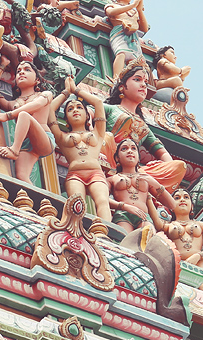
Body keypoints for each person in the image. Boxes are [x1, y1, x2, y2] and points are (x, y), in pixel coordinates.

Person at [102, 62, 186, 191]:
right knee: (105, 138)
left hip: (134, 171)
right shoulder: (111, 109)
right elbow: (88, 116)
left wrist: (165, 164)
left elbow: (164, 154)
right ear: (121, 87)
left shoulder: (143, 127)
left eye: (146, 83)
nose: (143, 85)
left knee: (180, 166)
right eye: (137, 79)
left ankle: (138, 180)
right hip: (107, 157)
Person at [48, 79, 114, 222]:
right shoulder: (62, 137)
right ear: (66, 120)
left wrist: (77, 90)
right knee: (76, 203)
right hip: (75, 175)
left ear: (87, 115)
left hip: (95, 173)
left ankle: (105, 231)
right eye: (70, 109)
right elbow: (50, 109)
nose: (75, 110)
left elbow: (98, 103)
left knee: (103, 200)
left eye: (79, 107)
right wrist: (66, 92)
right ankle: (75, 231)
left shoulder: (98, 132)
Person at [0, 58, 54, 183]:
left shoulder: (45, 95)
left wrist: (7, 116)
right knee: (21, 177)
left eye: (27, 70)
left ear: (37, 80)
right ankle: (30, 201)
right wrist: (2, 66)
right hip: (26, 144)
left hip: (43, 139)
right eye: (18, 71)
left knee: (24, 114)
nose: (21, 72)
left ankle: (14, 150)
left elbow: (37, 105)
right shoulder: (13, 104)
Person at [146, 186, 203, 291]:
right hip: (177, 265)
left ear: (192, 206)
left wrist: (199, 256)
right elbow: (157, 223)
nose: (182, 200)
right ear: (171, 206)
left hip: (198, 264)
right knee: (177, 292)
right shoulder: (168, 226)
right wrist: (148, 198)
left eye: (186, 197)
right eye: (177, 198)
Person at [110, 138, 177, 233]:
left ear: (138, 157)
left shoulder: (146, 179)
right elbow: (101, 198)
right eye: (124, 149)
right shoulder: (112, 179)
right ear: (117, 157)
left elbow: (172, 205)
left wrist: (156, 185)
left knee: (149, 241)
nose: (130, 151)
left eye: (134, 148)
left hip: (144, 217)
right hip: (123, 215)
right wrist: (123, 206)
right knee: (124, 240)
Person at [105, 0, 148, 78]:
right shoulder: (112, 5)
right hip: (119, 33)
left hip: (133, 37)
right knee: (121, 53)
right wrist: (132, 6)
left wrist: (139, 10)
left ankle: (133, 81)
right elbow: (110, 13)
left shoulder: (134, 12)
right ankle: (116, 79)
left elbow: (144, 28)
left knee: (135, 61)